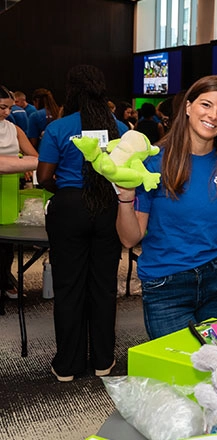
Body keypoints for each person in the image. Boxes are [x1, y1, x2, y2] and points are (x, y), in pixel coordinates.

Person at [115, 75, 217, 340]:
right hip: (166, 283)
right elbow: (129, 237)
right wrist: (125, 196)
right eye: (206, 105)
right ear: (187, 107)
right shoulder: (153, 162)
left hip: (216, 279)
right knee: (177, 373)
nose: (213, 115)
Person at [37, 65, 129, 382]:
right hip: (108, 209)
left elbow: (43, 177)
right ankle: (103, 360)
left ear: (71, 90)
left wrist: (67, 191)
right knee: (103, 287)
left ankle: (68, 365)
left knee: (69, 287)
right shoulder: (117, 127)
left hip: (69, 208)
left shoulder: (59, 128)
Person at [0, 86, 39, 299]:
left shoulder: (13, 128)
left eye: (10, 108)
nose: (7, 112)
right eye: (2, 107)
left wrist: (25, 165)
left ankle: (5, 279)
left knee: (6, 240)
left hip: (8, 189)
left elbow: (34, 156)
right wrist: (22, 163)